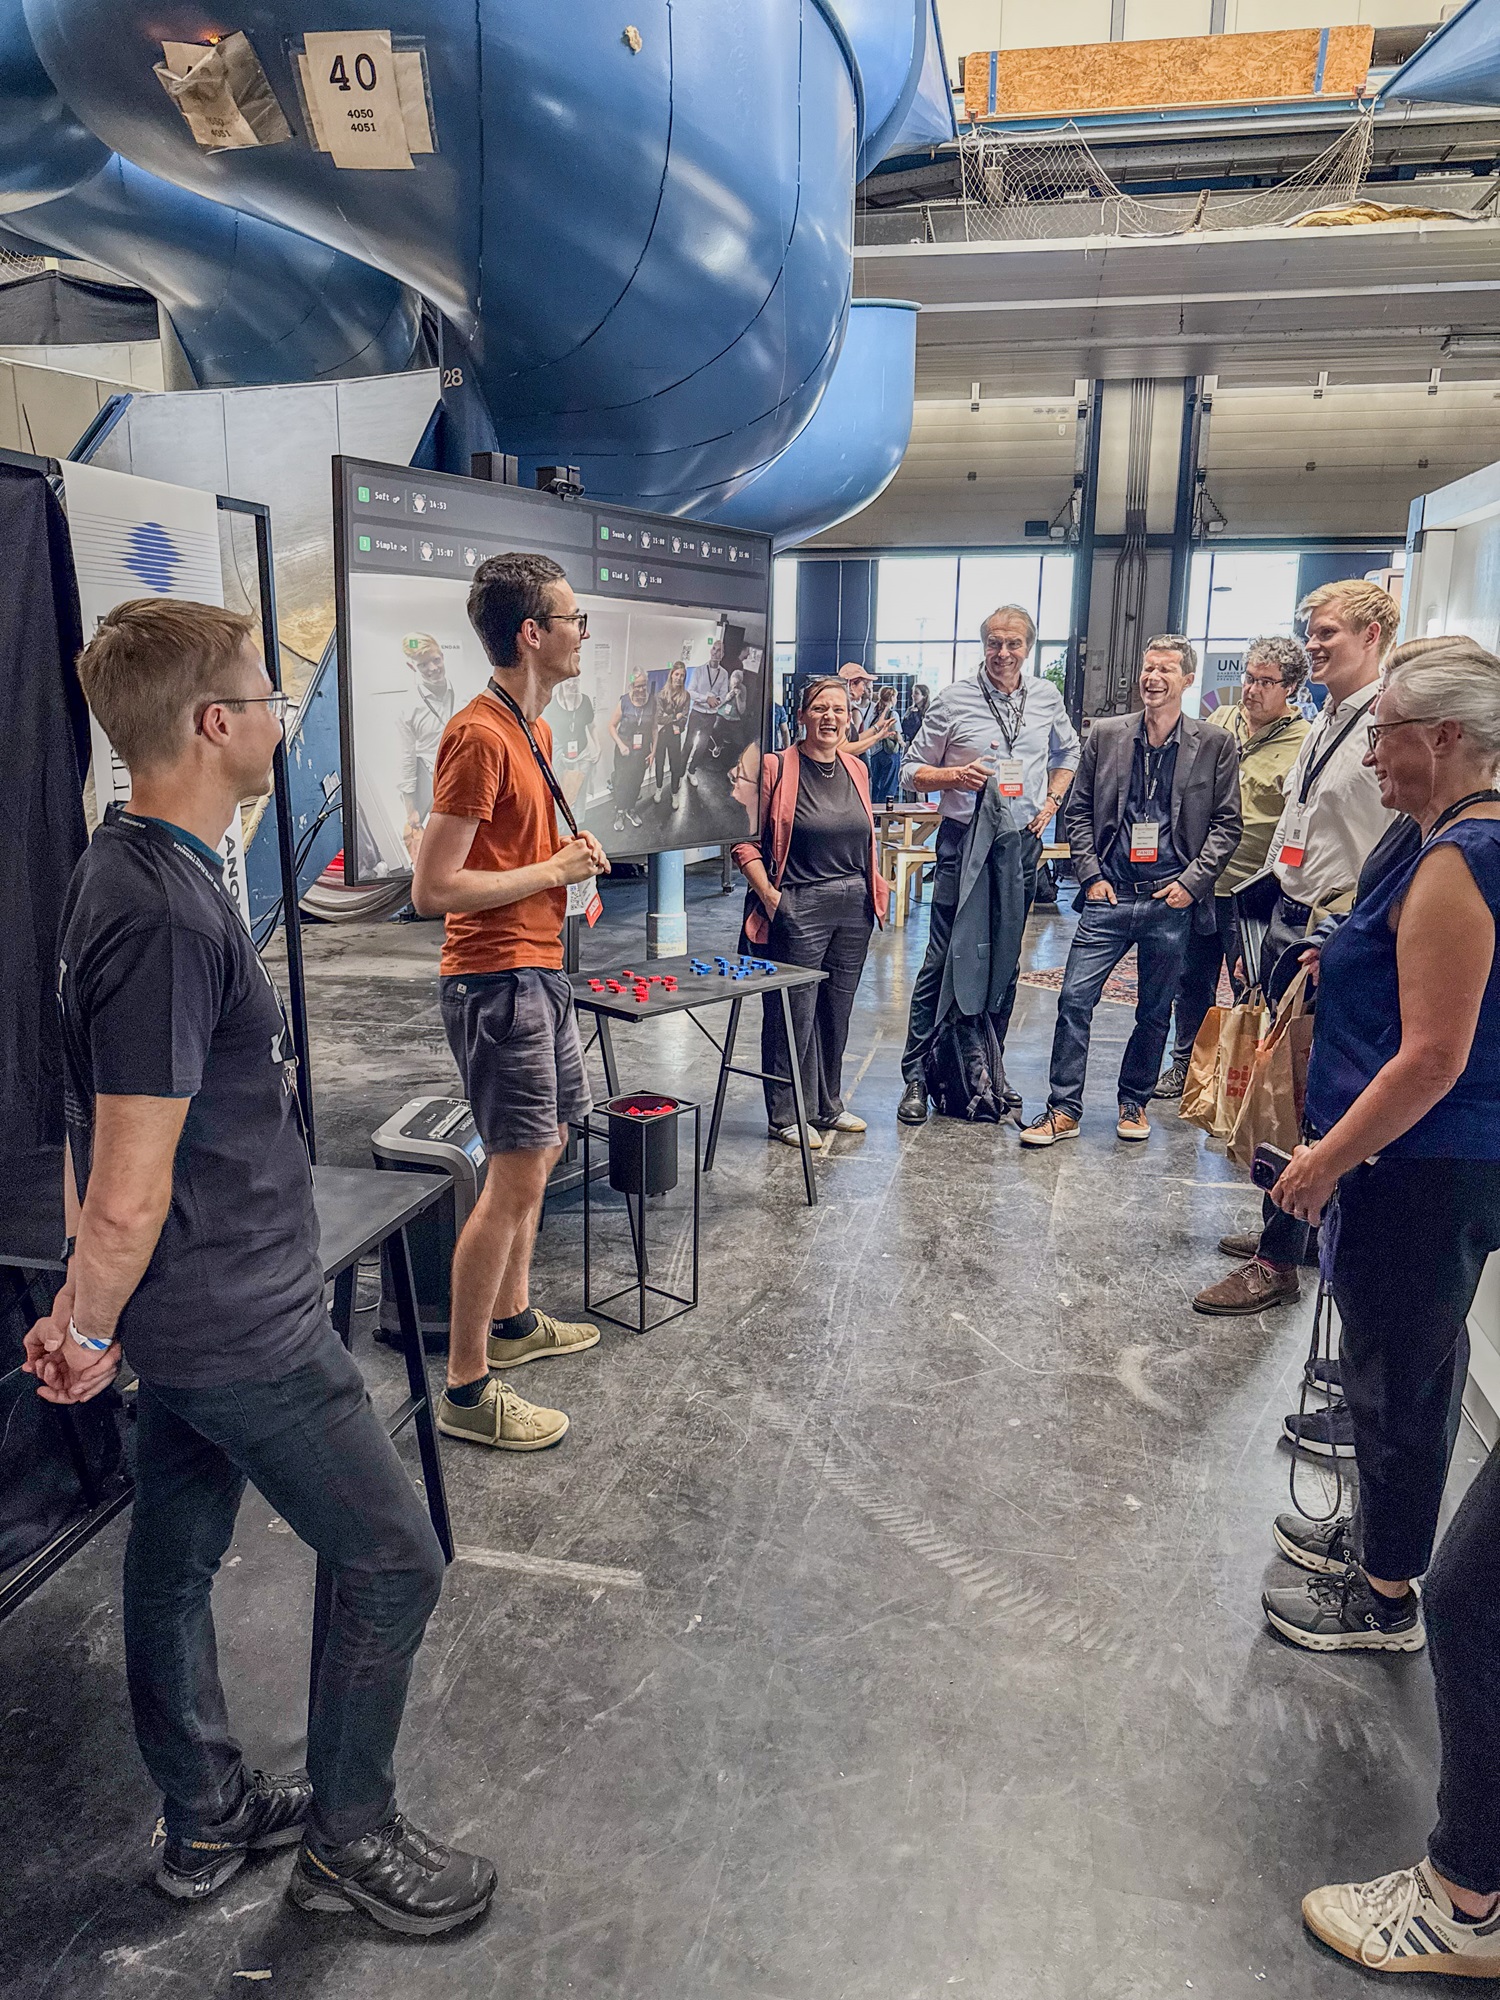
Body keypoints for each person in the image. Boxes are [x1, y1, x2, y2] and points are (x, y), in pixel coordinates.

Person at [24, 598, 495, 1931]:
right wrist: (90, 1317)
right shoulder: (165, 909)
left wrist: (90, 1310)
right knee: (395, 1557)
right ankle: (351, 1843)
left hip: (189, 1306)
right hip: (235, 1317)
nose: (283, 718)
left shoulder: (129, 868)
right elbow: (125, 1178)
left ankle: (207, 1812)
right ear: (214, 724)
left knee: (173, 1550)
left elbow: (91, 1121)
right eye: (265, 697)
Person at [1256, 637, 1500, 1669]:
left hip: (1418, 1169)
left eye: (1388, 734)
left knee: (1400, 1380)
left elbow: (1434, 1059)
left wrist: (1322, 1162)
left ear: (1446, 736)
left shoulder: (1462, 857)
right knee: (1403, 1370)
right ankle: (1379, 1545)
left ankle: (1386, 1593)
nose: (1369, 757)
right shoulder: (1432, 832)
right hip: (1418, 1167)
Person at [412, 553, 609, 1452]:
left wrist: (566, 873)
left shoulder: (533, 732)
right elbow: (433, 887)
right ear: (533, 633)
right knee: (516, 1173)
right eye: (571, 619)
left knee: (546, 1145)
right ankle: (463, 1387)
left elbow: (506, 860)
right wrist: (554, 870)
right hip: (498, 980)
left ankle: (514, 1323)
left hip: (535, 967)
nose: (580, 634)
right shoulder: (480, 735)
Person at [1193, 578, 1400, 1318]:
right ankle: (1288, 1225)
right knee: (1280, 1078)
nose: (1314, 644)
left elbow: (1394, 843)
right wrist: (1266, 889)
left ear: (1373, 636)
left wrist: (1338, 927)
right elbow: (1303, 817)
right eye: (1310, 632)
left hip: (1341, 929)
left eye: (1329, 633)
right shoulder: (1324, 721)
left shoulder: (1386, 723)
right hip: (1292, 909)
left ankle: (1277, 1260)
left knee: (1306, 1091)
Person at [1020, 636, 1241, 1147]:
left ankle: (1134, 1100)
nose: (1153, 678)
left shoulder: (1213, 744)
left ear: (1187, 680)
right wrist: (1091, 875)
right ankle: (1063, 1108)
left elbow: (1228, 825)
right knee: (1075, 998)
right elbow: (1076, 811)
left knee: (1154, 1008)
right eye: (1147, 668)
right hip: (1110, 894)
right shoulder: (1107, 735)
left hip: (1170, 899)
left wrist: (1190, 885)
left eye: (1165, 669)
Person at [897, 605, 1081, 1125]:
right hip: (963, 844)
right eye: (995, 643)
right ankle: (917, 1075)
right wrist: (953, 775)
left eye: (1015, 644)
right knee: (944, 960)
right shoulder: (954, 699)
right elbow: (910, 771)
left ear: (1029, 648)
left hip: (1019, 845)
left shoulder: (1045, 696)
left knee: (1005, 963)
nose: (1004, 654)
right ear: (983, 647)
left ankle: (987, 1074)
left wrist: (1051, 805)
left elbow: (1069, 753)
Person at [732, 678, 889, 1146]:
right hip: (798, 902)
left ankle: (826, 1105)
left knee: (835, 1012)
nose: (830, 718)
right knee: (790, 1014)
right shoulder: (775, 767)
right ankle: (785, 1115)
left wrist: (873, 886)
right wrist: (772, 898)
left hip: (853, 906)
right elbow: (745, 841)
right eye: (820, 708)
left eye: (839, 710)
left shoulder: (856, 768)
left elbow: (864, 836)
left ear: (849, 717)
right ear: (801, 715)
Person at [1153, 635, 1311, 1099]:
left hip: (1252, 890)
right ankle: (1185, 1064)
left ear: (1292, 688)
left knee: (1250, 983)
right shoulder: (1221, 722)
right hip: (1201, 878)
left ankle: (1240, 1075)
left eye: (1266, 681)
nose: (1252, 689)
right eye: (1249, 677)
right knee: (1190, 979)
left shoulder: (1304, 742)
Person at [394, 632, 455, 864]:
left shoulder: (465, 693)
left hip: (462, 778)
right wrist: (411, 809)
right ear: (412, 667)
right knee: (427, 854)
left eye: (435, 660)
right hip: (429, 784)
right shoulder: (408, 707)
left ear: (442, 655)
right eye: (423, 665)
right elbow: (406, 759)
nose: (432, 668)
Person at [609, 667, 656, 831]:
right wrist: (621, 745)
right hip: (624, 752)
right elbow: (611, 726)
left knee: (636, 782)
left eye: (644, 685)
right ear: (631, 686)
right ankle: (620, 811)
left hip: (642, 751)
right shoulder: (624, 701)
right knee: (622, 782)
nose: (642, 689)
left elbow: (654, 729)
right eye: (638, 686)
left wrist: (653, 752)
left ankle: (630, 809)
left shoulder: (652, 701)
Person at [547, 670, 598, 812]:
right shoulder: (551, 704)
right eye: (568, 680)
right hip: (561, 758)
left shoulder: (585, 700)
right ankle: (562, 829)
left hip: (582, 755)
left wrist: (597, 748)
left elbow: (591, 726)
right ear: (561, 682)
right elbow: (545, 732)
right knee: (562, 795)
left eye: (575, 681)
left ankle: (579, 824)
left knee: (580, 794)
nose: (572, 684)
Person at [685, 639, 732, 785]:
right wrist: (707, 699)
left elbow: (724, 694)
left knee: (702, 746)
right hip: (697, 712)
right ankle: (679, 773)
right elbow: (690, 692)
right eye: (714, 649)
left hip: (711, 715)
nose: (716, 653)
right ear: (710, 650)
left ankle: (691, 771)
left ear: (723, 655)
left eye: (719, 651)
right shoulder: (699, 670)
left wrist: (716, 701)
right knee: (688, 743)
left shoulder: (724, 674)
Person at [653, 660, 692, 808]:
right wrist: (676, 718)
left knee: (676, 765)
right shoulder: (661, 695)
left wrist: (679, 724)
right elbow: (659, 718)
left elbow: (685, 717)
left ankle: (674, 792)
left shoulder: (686, 696)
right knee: (659, 763)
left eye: (682, 675)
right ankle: (658, 789)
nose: (679, 678)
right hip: (662, 734)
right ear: (671, 675)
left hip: (675, 735)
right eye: (676, 674)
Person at [865, 684, 902, 804]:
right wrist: (903, 743)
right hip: (889, 753)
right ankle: (886, 816)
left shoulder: (875, 712)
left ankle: (875, 813)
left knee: (876, 785)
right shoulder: (893, 714)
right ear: (892, 698)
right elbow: (897, 734)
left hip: (875, 752)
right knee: (889, 786)